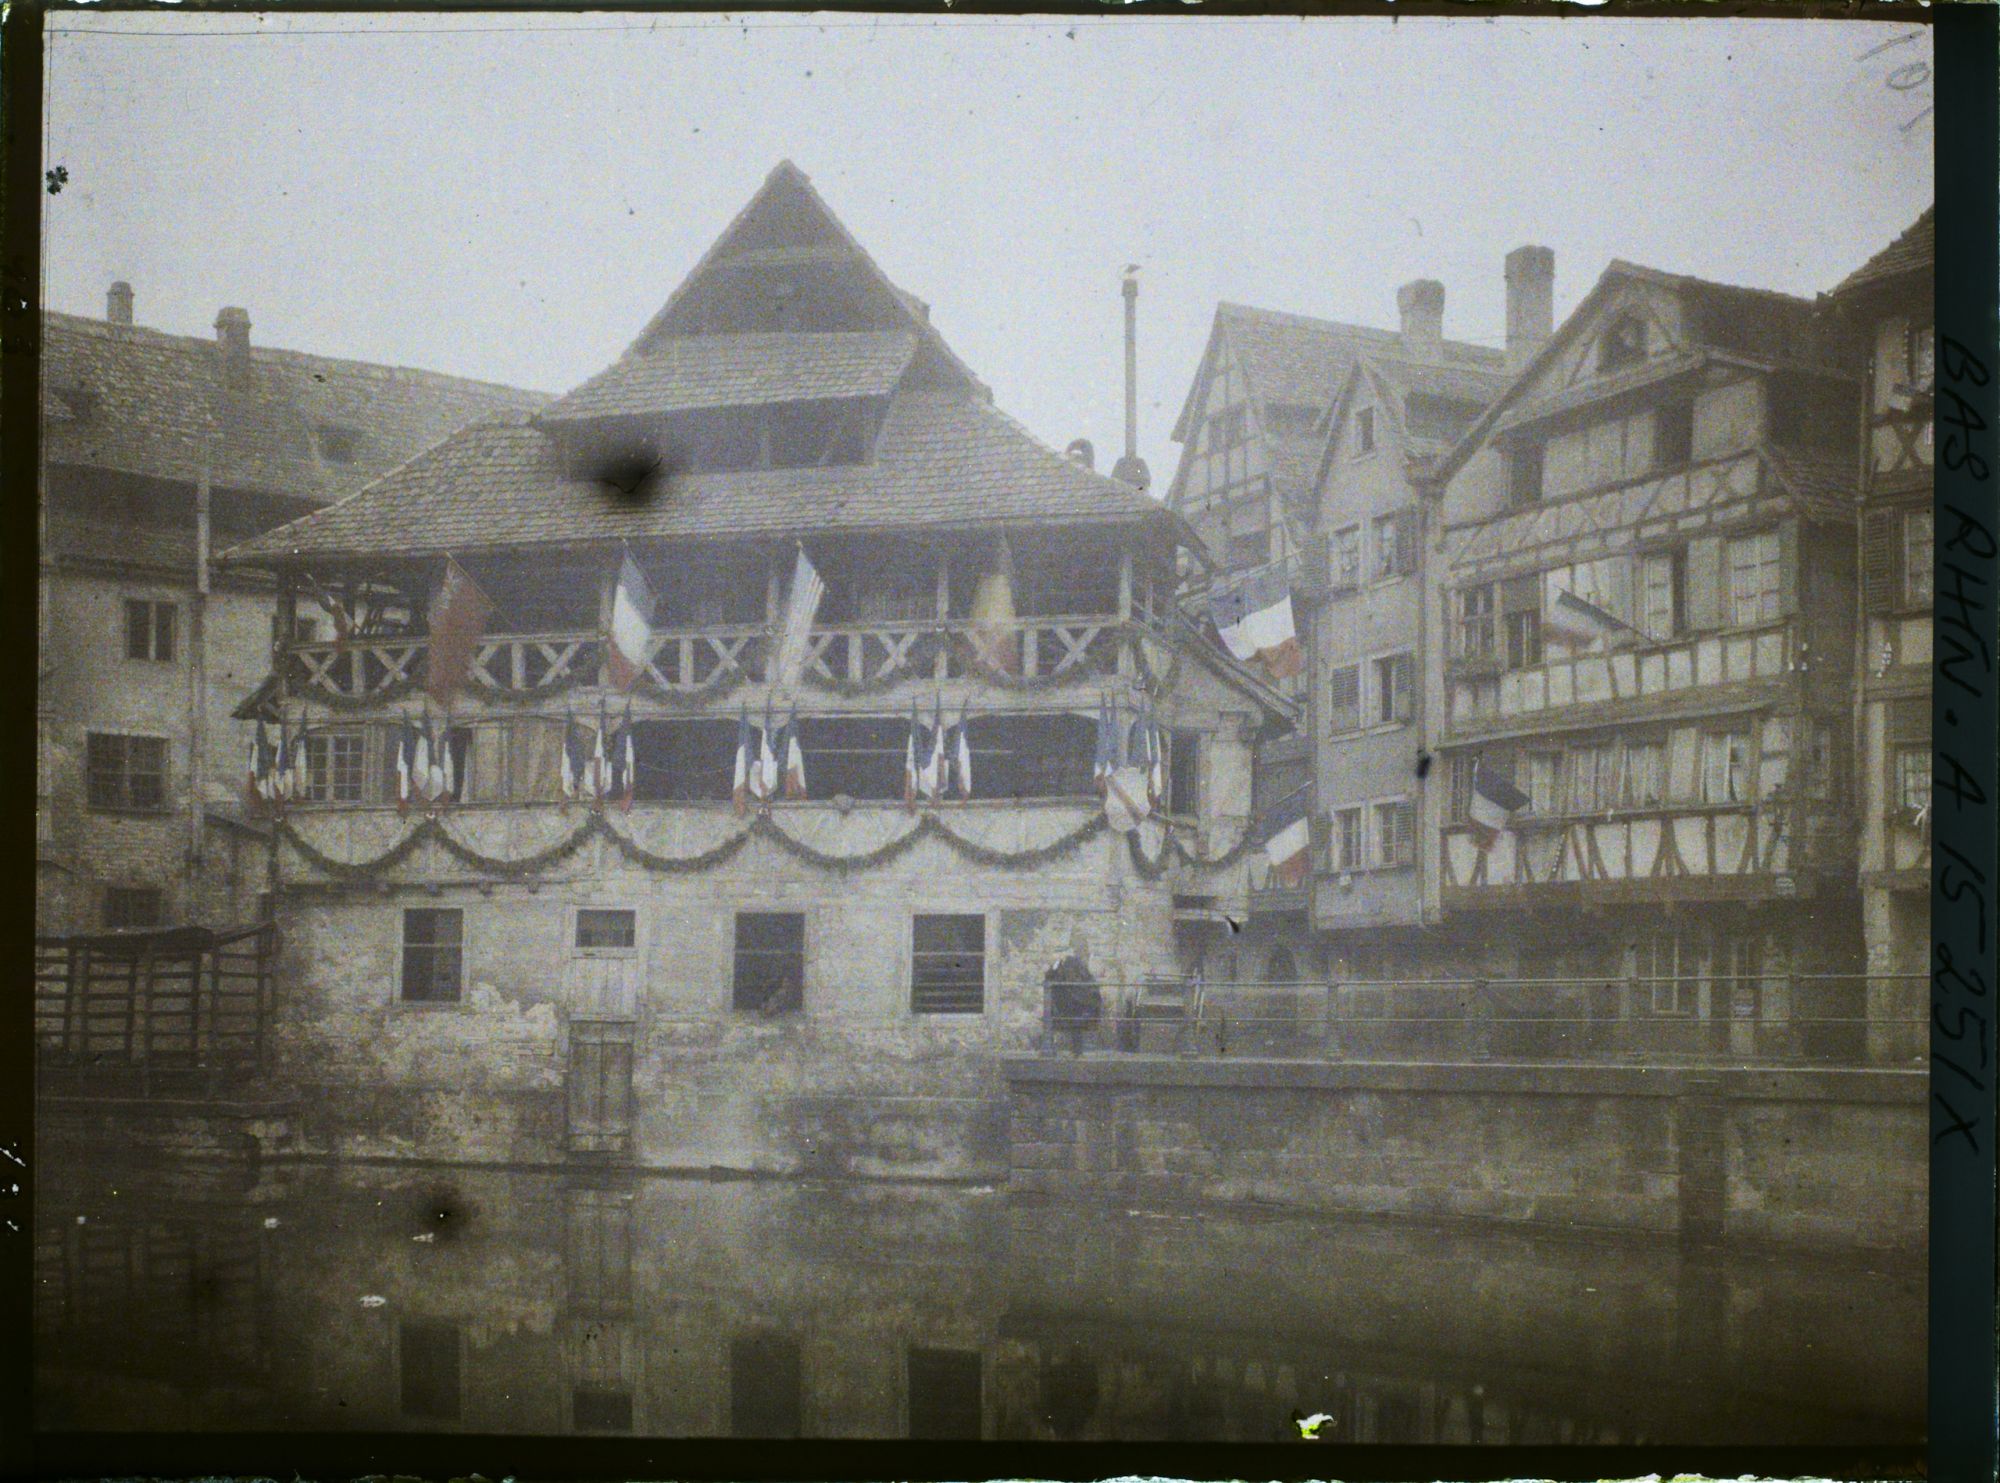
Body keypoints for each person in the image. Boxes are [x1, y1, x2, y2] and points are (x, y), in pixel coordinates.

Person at [1044, 928, 1101, 1056]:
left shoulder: (1082, 961)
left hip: (1079, 999)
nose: (1078, 947)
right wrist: (1058, 962)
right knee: (1067, 1018)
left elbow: (1088, 979)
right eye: (1076, 942)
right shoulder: (1066, 960)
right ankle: (1067, 1049)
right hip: (1068, 999)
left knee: (1076, 1020)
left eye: (1081, 943)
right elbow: (1050, 975)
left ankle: (1077, 1050)